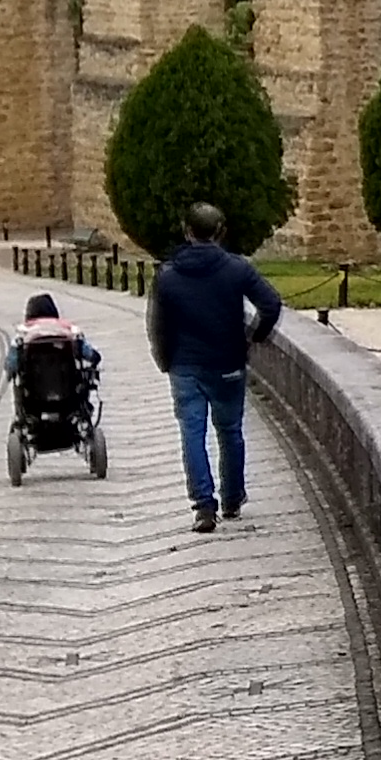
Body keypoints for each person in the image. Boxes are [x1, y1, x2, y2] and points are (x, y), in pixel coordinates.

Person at [145, 201, 284, 532]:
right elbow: (271, 303)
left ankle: (204, 506)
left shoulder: (168, 276)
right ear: (221, 232)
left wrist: (164, 359)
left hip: (185, 365)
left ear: (187, 231)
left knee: (192, 433)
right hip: (227, 363)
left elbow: (157, 324)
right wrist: (254, 336)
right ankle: (232, 497)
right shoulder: (237, 269)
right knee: (230, 430)